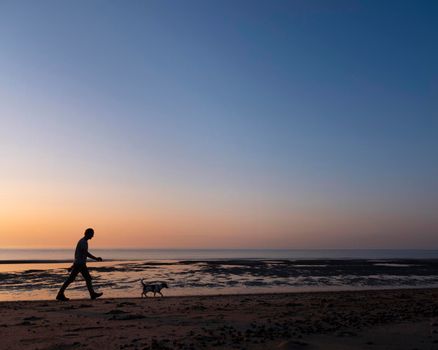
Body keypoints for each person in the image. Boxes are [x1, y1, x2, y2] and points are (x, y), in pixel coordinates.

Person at [56, 228, 103, 301]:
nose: (93, 236)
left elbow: (78, 255)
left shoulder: (83, 241)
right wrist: (96, 258)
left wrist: (72, 266)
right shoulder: (83, 242)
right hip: (80, 264)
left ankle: (92, 294)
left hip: (79, 263)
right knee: (78, 279)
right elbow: (85, 253)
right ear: (88, 233)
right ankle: (60, 294)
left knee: (82, 279)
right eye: (92, 234)